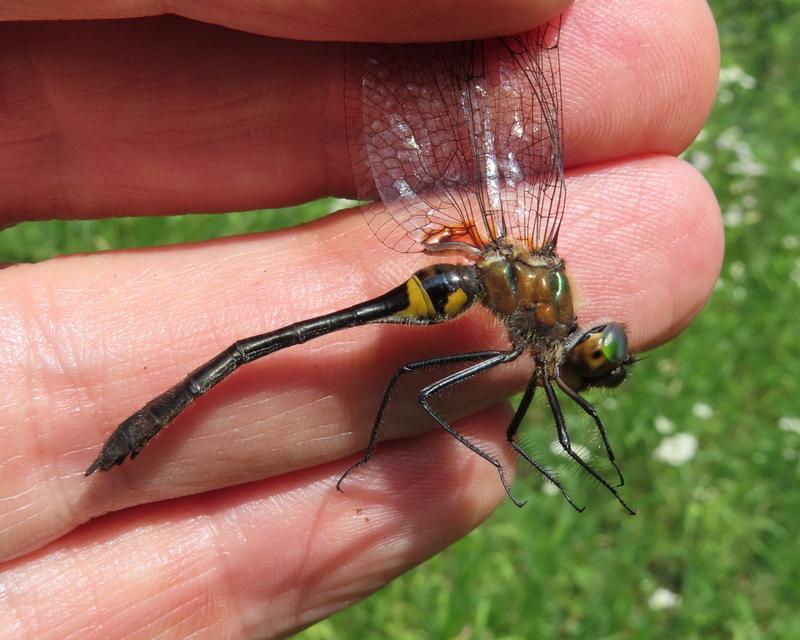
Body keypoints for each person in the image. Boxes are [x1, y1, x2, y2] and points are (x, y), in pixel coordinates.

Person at [0, 1, 722, 637]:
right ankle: (173, 422)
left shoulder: (542, 299)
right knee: (350, 367)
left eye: (596, 358)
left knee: (438, 391)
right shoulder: (543, 324)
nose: (594, 360)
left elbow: (563, 421)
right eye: (597, 356)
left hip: (465, 279)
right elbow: (536, 417)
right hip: (449, 284)